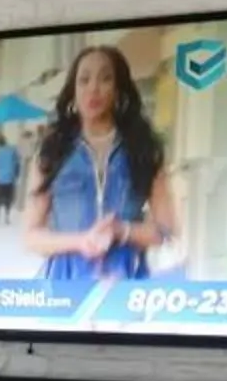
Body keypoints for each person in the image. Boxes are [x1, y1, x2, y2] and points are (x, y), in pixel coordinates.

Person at [23, 44, 178, 285]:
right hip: (65, 286)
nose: (93, 88)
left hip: (126, 283)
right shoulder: (51, 152)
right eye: (84, 80)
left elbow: (166, 232)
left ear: (118, 90)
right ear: (73, 91)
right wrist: (81, 241)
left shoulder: (144, 150)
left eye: (105, 78)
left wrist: (122, 231)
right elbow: (31, 237)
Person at [0, 132, 23, 225]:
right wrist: (16, 175)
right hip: (9, 178)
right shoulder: (12, 149)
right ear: (5, 141)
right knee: (8, 198)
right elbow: (17, 162)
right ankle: (7, 217)